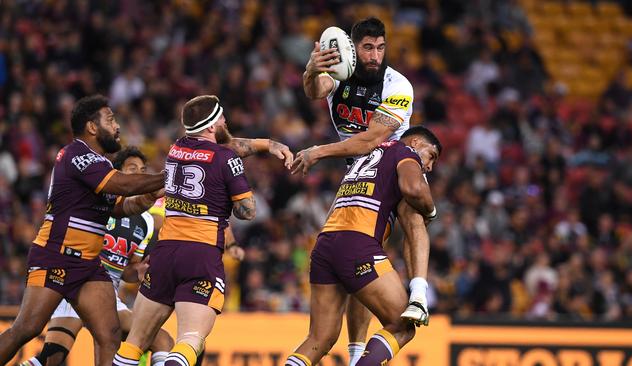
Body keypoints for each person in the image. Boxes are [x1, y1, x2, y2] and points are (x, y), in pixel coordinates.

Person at [112, 95, 291, 366]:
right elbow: (247, 210)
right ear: (210, 126)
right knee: (191, 339)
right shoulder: (226, 159)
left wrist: (267, 144)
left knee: (136, 341)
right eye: (221, 118)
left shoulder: (175, 149)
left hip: (165, 253)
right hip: (201, 254)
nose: (225, 121)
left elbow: (224, 147)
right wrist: (237, 192)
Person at [296, 17, 431, 364]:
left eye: (381, 47)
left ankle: (418, 292)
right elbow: (314, 90)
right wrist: (311, 70)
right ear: (352, 48)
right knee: (369, 252)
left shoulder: (396, 83)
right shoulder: (340, 71)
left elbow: (373, 139)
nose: (375, 55)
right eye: (368, 47)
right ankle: (359, 352)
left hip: (391, 161)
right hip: (355, 170)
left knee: (413, 209)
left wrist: (317, 152)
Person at [0, 95, 166, 366]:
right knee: (26, 329)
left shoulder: (99, 163)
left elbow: (119, 207)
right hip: (57, 255)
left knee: (109, 335)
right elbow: (122, 186)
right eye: (110, 119)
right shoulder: (77, 154)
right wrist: (168, 176)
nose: (117, 126)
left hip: (88, 264)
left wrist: (148, 197)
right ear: (91, 127)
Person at [284, 126, 442, 366]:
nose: (429, 166)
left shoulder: (367, 155)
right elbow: (414, 189)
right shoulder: (405, 151)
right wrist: (431, 210)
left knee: (319, 338)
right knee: (402, 325)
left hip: (325, 244)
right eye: (431, 156)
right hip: (358, 243)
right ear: (417, 142)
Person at [20, 147, 174, 366]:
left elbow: (127, 270)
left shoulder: (146, 222)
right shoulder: (100, 202)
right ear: (117, 174)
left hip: (107, 294)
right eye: (132, 169)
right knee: (52, 356)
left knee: (162, 340)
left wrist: (137, 271)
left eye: (142, 169)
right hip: (76, 280)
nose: (140, 174)